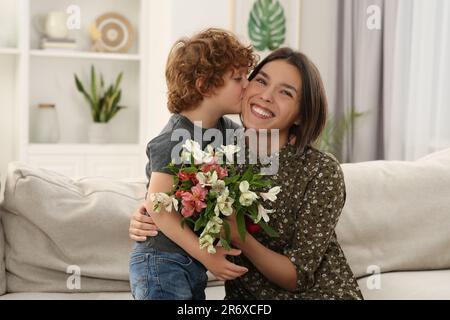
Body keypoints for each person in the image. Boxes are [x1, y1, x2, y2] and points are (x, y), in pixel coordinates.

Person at [130, 47, 363, 300]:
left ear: (301, 114)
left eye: (285, 92)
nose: (266, 96)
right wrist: (149, 212)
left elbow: (298, 276)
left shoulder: (320, 170)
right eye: (261, 81)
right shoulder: (218, 149)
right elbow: (170, 192)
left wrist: (237, 235)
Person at [129, 28, 257, 300]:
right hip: (161, 260)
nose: (247, 85)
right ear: (204, 85)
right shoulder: (174, 138)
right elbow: (158, 207)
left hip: (190, 264)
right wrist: (207, 256)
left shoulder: (230, 132)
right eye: (237, 78)